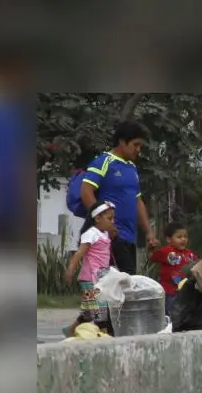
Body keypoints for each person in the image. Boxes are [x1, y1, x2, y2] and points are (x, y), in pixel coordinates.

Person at [79, 121, 159, 275]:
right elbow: (86, 191)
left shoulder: (132, 168)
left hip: (130, 238)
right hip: (110, 236)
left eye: (140, 146)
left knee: (126, 285)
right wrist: (103, 223)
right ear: (122, 141)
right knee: (113, 286)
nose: (138, 150)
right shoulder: (104, 161)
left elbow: (137, 201)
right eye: (135, 145)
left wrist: (149, 232)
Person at [63, 200, 116, 337]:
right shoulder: (91, 233)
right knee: (99, 310)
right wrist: (70, 269)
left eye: (113, 218)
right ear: (97, 218)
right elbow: (80, 253)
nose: (112, 221)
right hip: (90, 280)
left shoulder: (104, 234)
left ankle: (71, 330)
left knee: (90, 311)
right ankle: (104, 333)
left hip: (101, 279)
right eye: (109, 218)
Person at [149, 222, 197, 317]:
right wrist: (150, 249)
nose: (183, 239)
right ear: (168, 239)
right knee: (172, 316)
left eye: (185, 236)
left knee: (184, 315)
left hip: (186, 292)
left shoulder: (189, 254)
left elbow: (197, 265)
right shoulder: (166, 251)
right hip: (171, 292)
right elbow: (152, 257)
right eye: (179, 237)